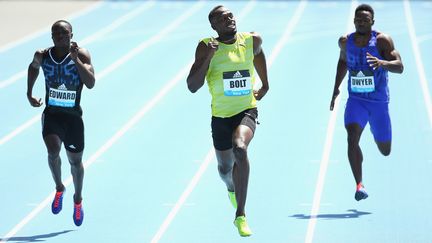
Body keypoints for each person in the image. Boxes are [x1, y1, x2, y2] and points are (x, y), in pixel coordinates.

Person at [187, 5, 269, 237]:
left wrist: (265, 83)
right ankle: (232, 188)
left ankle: (240, 215)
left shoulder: (251, 40)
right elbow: (192, 86)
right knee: (225, 170)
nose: (229, 20)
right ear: (214, 26)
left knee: (240, 148)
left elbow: (259, 52)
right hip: (220, 117)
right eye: (221, 19)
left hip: (246, 110)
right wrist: (209, 57)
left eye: (230, 16)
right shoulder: (205, 46)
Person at [330, 4, 403, 201]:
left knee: (385, 150)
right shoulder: (345, 42)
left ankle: (375, 130)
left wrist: (383, 63)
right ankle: (359, 185)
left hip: (378, 103)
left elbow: (400, 66)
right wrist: (335, 88)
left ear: (373, 21)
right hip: (356, 100)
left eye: (366, 20)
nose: (361, 22)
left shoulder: (382, 41)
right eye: (358, 19)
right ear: (354, 21)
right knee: (351, 138)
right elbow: (343, 62)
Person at [26, 20, 95, 226]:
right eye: (55, 32)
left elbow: (91, 83)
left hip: (73, 118)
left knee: (75, 162)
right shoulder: (42, 55)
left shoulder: (81, 54)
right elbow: (33, 67)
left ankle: (77, 199)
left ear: (71, 35)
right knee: (53, 150)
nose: (58, 36)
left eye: (63, 32)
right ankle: (59, 187)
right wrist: (29, 93)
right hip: (53, 114)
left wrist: (75, 61)